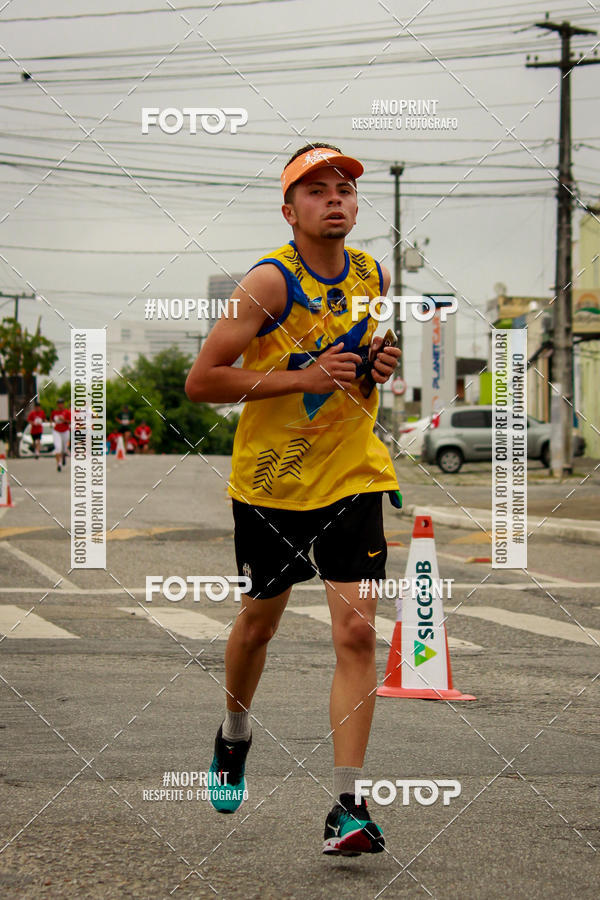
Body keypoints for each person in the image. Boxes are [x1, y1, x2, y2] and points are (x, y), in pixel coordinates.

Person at [185, 144, 401, 856]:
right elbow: (205, 381)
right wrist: (299, 381)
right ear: (289, 210)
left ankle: (349, 804)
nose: (334, 199)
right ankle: (235, 733)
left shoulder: (374, 273)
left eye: (343, 189)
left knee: (358, 633)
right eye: (316, 190)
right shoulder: (268, 284)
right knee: (259, 627)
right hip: (273, 483)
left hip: (353, 476)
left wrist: (378, 366)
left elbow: (357, 366)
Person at [50, 398, 71, 472]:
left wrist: (63, 420)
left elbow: (70, 421)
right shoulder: (54, 412)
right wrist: (51, 424)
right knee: (58, 448)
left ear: (63, 404)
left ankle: (64, 455)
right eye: (59, 403)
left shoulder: (67, 412)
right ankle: (59, 464)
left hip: (65, 431)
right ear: (57, 404)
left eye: (61, 403)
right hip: (56, 431)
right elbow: (51, 420)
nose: (60, 405)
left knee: (64, 448)